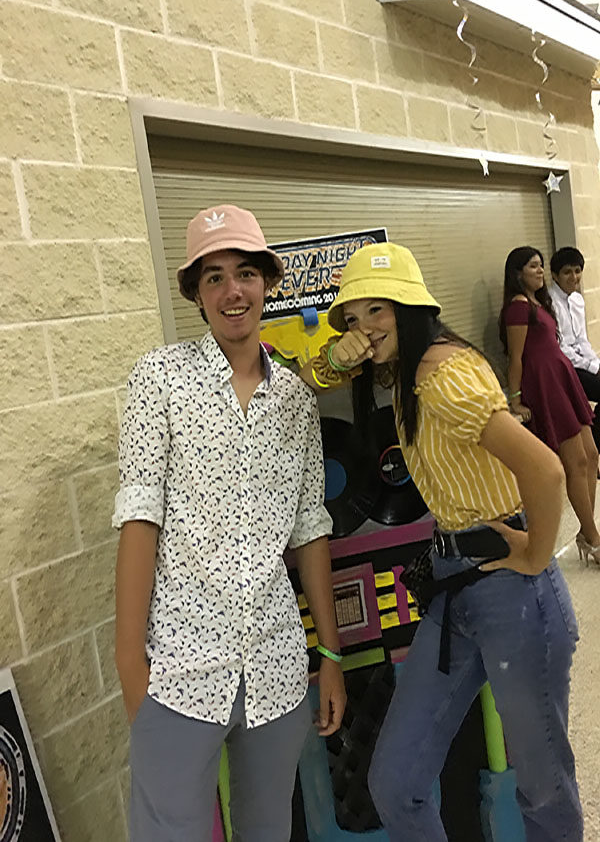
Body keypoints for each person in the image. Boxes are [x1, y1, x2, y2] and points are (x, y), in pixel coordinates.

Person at [302, 242, 583, 841]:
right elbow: (310, 378)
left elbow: (547, 470)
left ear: (410, 308)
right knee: (395, 781)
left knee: (543, 785)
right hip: (457, 594)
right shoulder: (406, 371)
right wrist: (339, 353)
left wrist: (535, 556)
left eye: (378, 311)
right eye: (353, 317)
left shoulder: (442, 375)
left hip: (513, 593)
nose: (365, 328)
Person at [113, 204, 346, 842]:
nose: (231, 290)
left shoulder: (296, 402)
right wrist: (130, 664)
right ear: (195, 293)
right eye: (212, 277)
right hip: (178, 671)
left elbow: (309, 529)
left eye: (244, 272)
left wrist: (328, 653)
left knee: (268, 829)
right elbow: (139, 518)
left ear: (267, 281)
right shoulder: (158, 379)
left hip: (274, 668)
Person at [500, 246, 600, 566]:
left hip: (562, 378)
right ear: (517, 273)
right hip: (545, 384)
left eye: (541, 266)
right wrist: (515, 401)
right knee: (575, 462)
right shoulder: (517, 308)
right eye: (533, 266)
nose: (540, 271)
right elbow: (515, 359)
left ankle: (587, 531)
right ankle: (592, 537)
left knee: (592, 455)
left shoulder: (538, 303)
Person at [549, 246, 600, 453]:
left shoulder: (577, 299)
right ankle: (595, 448)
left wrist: (595, 364)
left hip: (580, 362)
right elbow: (560, 347)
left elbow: (582, 340)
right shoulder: (549, 302)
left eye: (577, 270)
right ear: (555, 275)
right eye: (567, 272)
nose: (574, 277)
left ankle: (594, 446)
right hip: (563, 367)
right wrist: (590, 366)